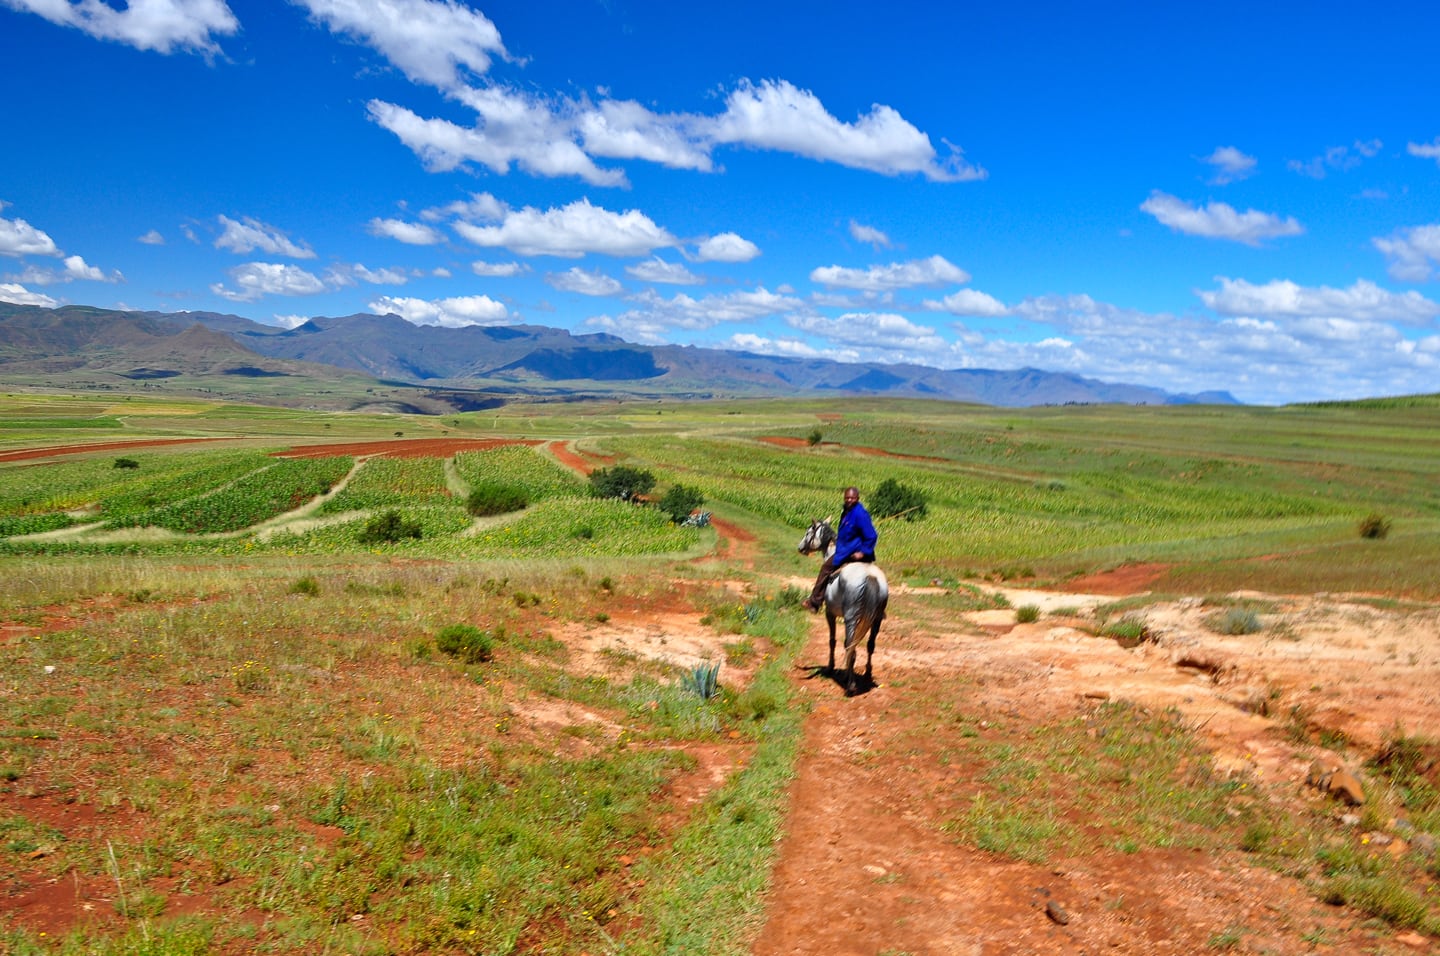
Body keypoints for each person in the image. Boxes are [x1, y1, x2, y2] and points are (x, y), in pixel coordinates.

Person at [803, 485, 877, 612]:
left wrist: (862, 552)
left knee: (826, 568)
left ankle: (815, 602)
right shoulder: (846, 512)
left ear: (857, 498)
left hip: (851, 552)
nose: (849, 500)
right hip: (845, 547)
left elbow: (872, 536)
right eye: (847, 497)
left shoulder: (860, 514)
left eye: (852, 498)